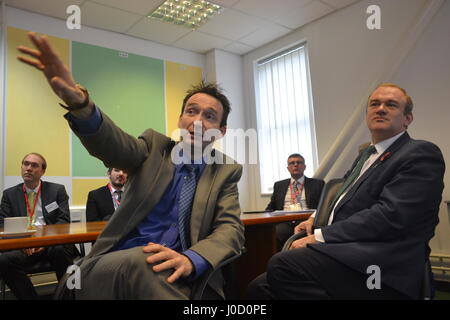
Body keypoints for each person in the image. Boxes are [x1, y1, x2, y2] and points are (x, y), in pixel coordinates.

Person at [17, 32, 244, 300]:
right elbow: (113, 145)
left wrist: (192, 259)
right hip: (122, 259)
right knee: (143, 260)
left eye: (209, 116)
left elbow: (230, 229)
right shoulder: (153, 148)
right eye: (191, 111)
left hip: (179, 267)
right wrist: (80, 105)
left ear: (221, 131)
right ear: (180, 118)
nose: (197, 121)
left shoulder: (225, 171)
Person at [248, 83, 445, 300]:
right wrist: (315, 217)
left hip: (383, 263)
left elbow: (391, 215)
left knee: (283, 265)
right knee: (258, 287)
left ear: (407, 119)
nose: (380, 108)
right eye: (374, 104)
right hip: (351, 250)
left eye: (391, 105)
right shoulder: (366, 157)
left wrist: (320, 237)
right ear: (367, 114)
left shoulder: (419, 152)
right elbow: (343, 194)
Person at [0, 153, 79, 299]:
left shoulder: (57, 191)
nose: (28, 168)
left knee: (61, 251)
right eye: (26, 164)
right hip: (24, 246)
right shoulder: (9, 195)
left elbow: (63, 221)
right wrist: (24, 242)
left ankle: (69, 296)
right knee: (3, 260)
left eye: (34, 165)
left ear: (43, 171)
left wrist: (44, 241)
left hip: (51, 244)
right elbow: (3, 224)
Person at [265, 154, 324, 250]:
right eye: (292, 163)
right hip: (284, 221)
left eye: (299, 162)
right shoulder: (279, 185)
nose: (295, 165)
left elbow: (322, 206)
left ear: (304, 167)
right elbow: (271, 207)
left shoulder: (317, 184)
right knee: (274, 233)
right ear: (288, 168)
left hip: (306, 220)